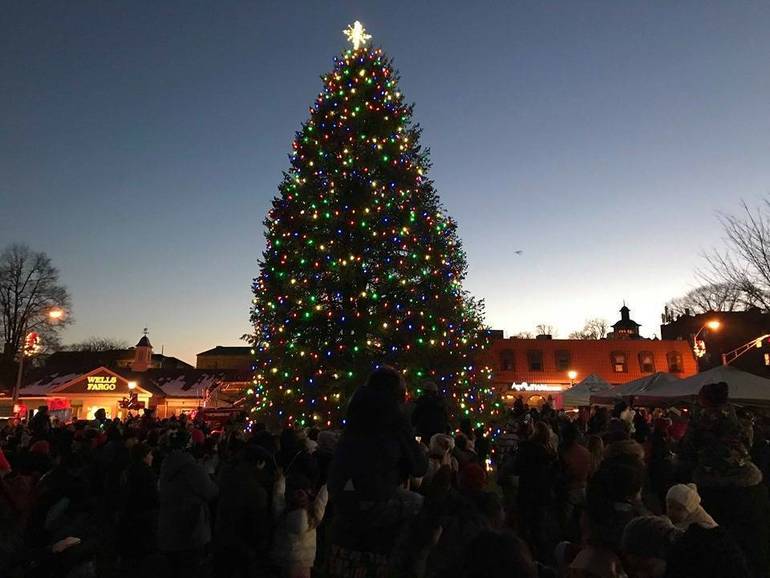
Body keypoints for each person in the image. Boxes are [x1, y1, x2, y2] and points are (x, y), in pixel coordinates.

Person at [327, 366, 428, 578]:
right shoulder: (394, 416)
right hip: (372, 498)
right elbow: (419, 466)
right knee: (421, 507)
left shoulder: (355, 414)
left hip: (343, 496)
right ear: (396, 393)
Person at [681, 381, 770, 577]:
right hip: (748, 485)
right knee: (754, 540)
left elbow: (686, 451)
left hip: (711, 485)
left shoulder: (700, 423)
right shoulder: (742, 421)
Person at [158, 428, 218, 578]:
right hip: (191, 529)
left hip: (168, 527)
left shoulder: (166, 464)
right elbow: (211, 492)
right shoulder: (192, 468)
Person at [214, 444, 271, 578]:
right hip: (244, 547)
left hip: (222, 539)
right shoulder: (256, 491)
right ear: (259, 464)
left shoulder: (225, 475)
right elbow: (258, 525)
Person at [272, 470, 329, 578]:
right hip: (304, 564)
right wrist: (330, 483)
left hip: (284, 562)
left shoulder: (282, 514)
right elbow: (322, 499)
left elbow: (277, 496)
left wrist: (280, 480)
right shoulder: (313, 518)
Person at [118, 442, 159, 568]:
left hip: (128, 512)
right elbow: (152, 496)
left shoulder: (128, 470)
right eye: (150, 454)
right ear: (144, 456)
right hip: (143, 513)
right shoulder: (147, 473)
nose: (152, 457)